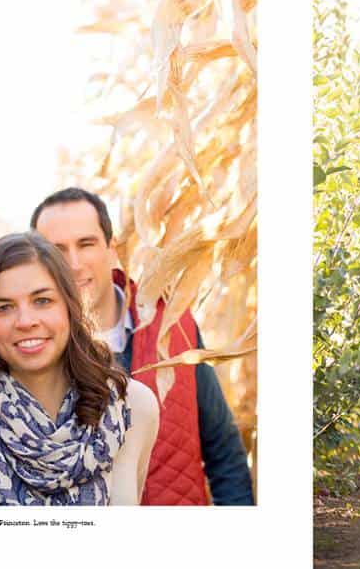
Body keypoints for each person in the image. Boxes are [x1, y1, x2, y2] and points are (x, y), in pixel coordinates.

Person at [31, 187, 254, 505]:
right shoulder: (29, 353)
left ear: (111, 249)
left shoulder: (173, 329)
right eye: (57, 251)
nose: (75, 263)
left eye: (86, 244)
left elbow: (223, 452)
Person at [0, 232, 159, 505]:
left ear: (70, 307)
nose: (25, 321)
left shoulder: (132, 408)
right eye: (3, 308)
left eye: (42, 301)